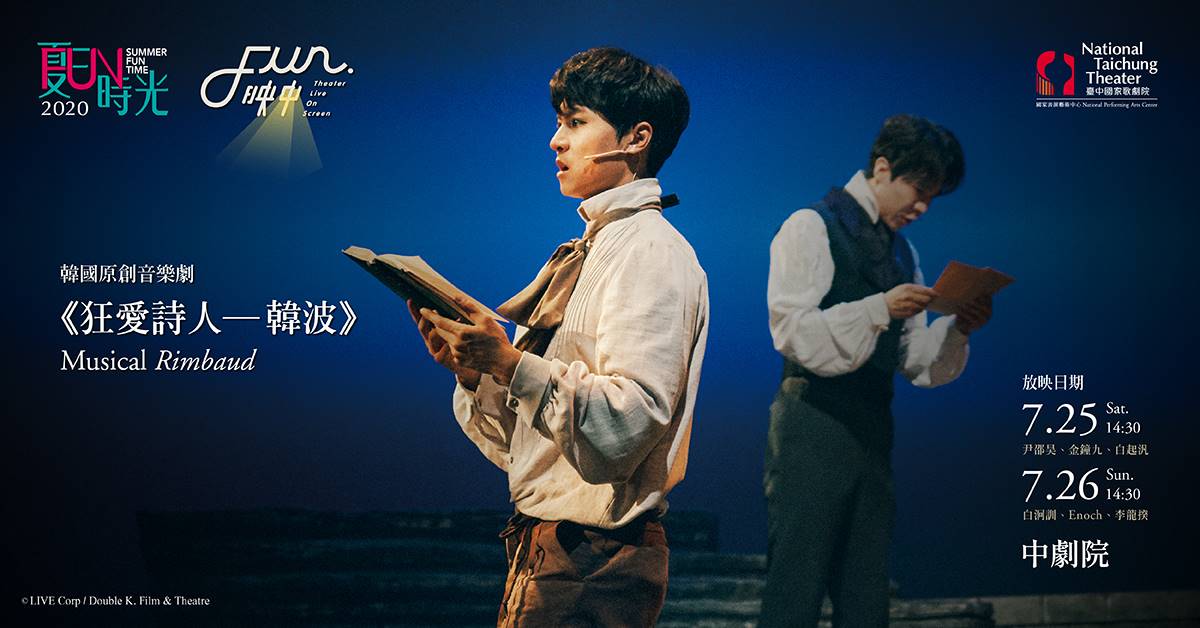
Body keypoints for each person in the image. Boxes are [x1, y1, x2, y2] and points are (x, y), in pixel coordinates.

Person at [407, 47, 708, 627]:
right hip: (554, 545)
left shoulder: (650, 252)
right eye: (559, 122)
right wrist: (477, 373)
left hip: (595, 556)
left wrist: (510, 363)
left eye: (575, 122)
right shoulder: (590, 250)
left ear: (637, 138)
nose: (556, 141)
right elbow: (527, 448)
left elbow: (629, 422)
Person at [761, 114, 992, 627]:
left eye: (933, 196)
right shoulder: (811, 225)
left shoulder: (903, 253)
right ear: (882, 169)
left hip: (872, 427)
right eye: (919, 189)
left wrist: (958, 328)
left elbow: (913, 360)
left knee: (865, 590)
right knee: (796, 583)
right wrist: (878, 308)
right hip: (812, 422)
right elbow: (791, 331)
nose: (923, 206)